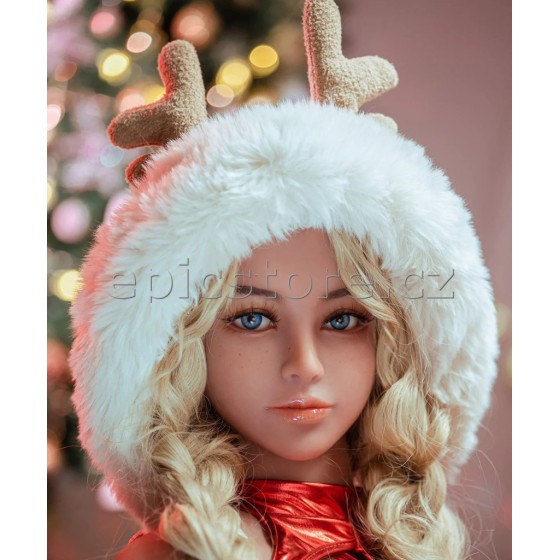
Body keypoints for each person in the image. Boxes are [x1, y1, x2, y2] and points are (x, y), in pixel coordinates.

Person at [69, 1, 499, 559]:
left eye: (343, 320)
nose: (305, 365)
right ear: (181, 344)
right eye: (252, 319)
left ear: (398, 340)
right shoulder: (171, 554)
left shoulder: (418, 544)